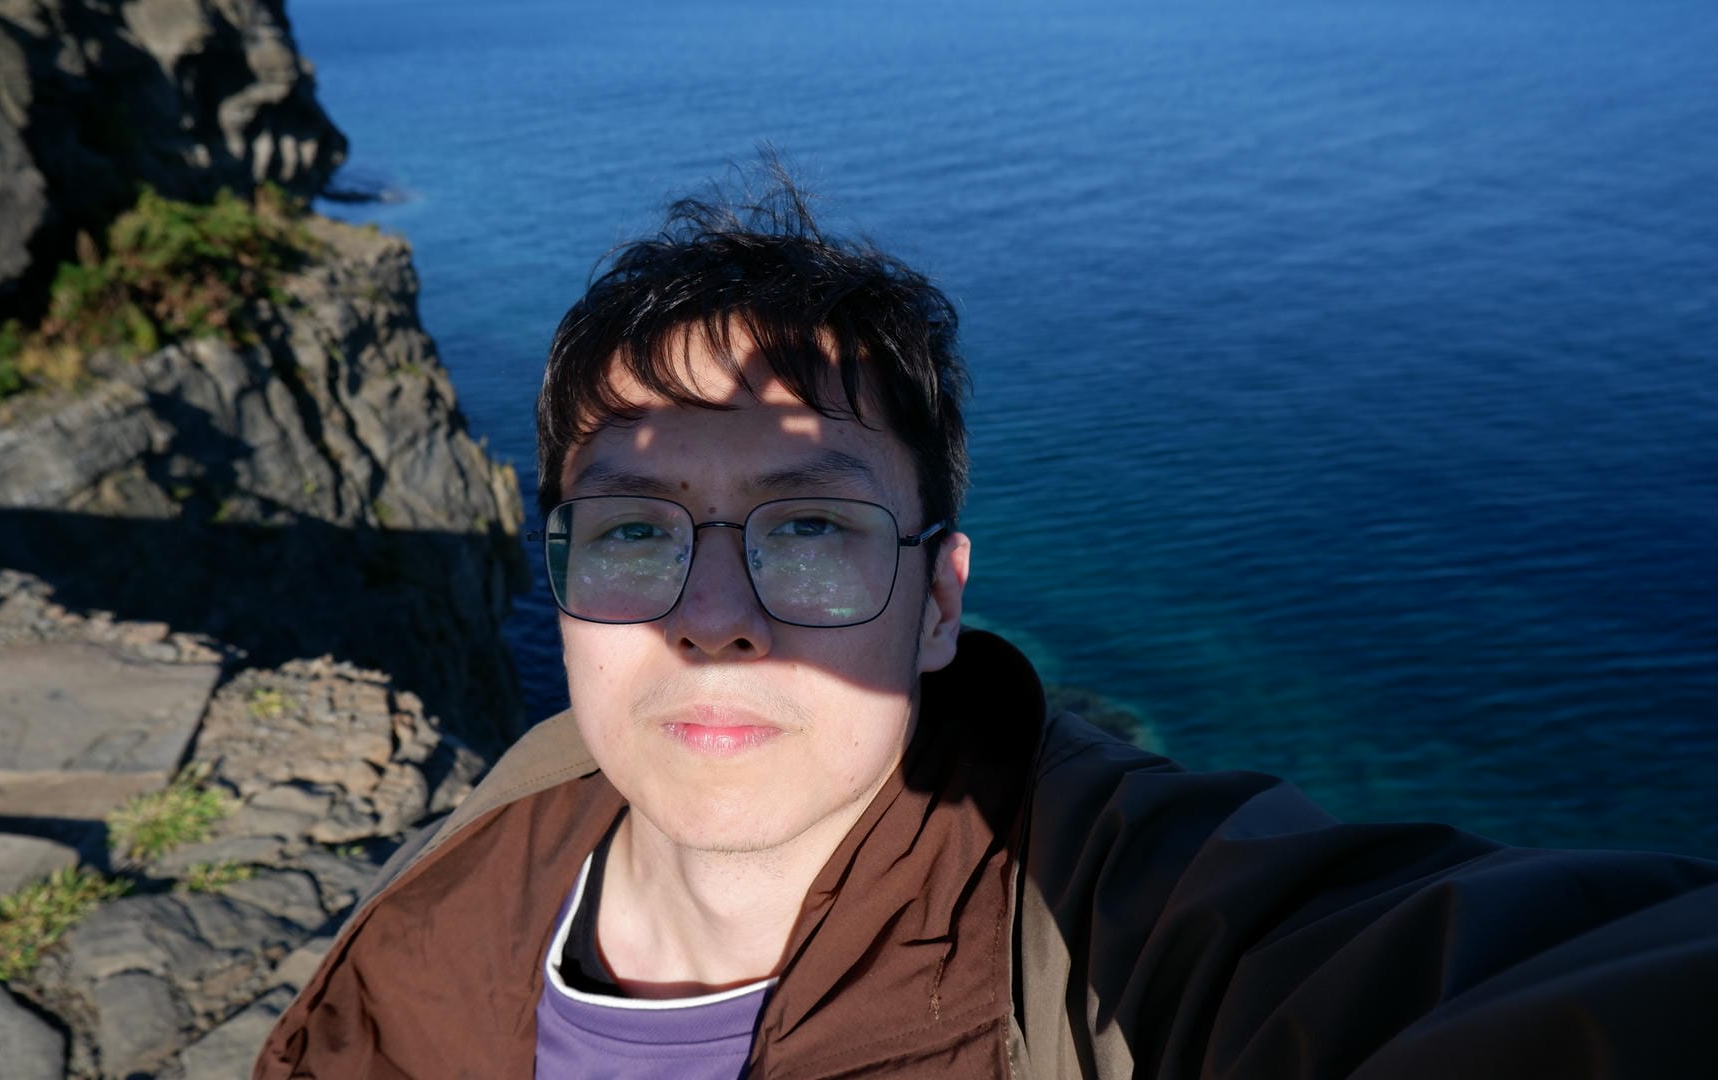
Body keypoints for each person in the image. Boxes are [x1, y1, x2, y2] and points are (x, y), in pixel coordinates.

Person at [255, 176, 1718, 1079]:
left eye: (809, 528)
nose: (711, 622)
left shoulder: (1110, 924)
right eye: (637, 530)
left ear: (940, 602)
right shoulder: (456, 892)